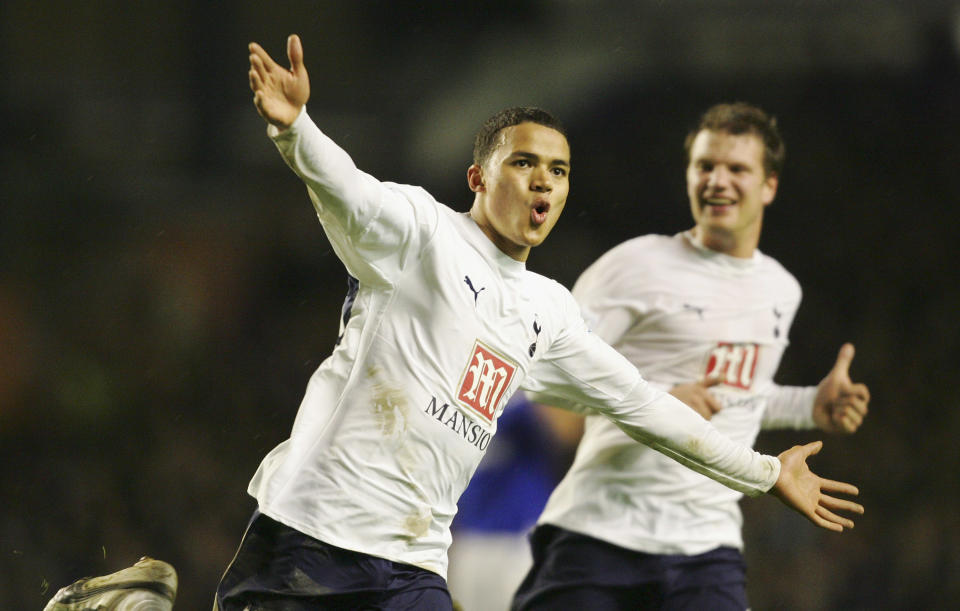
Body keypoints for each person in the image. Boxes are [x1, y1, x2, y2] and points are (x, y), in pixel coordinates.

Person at [217, 36, 863, 610]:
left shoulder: (548, 310)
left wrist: (767, 473)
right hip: (312, 534)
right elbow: (349, 190)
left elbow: (642, 405)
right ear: (477, 176)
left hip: (413, 563)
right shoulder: (423, 233)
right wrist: (295, 128)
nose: (542, 183)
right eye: (524, 163)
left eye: (558, 170)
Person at [511, 102, 871, 610]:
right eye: (705, 166)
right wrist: (654, 400)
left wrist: (810, 406)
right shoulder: (635, 267)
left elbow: (739, 399)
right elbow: (541, 375)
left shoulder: (780, 290)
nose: (718, 181)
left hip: (706, 549)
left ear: (768, 186)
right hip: (600, 533)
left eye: (737, 169)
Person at [446, 394, 582, 611]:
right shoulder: (458, 388)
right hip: (468, 536)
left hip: (521, 536)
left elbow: (569, 429)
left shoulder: (528, 392)